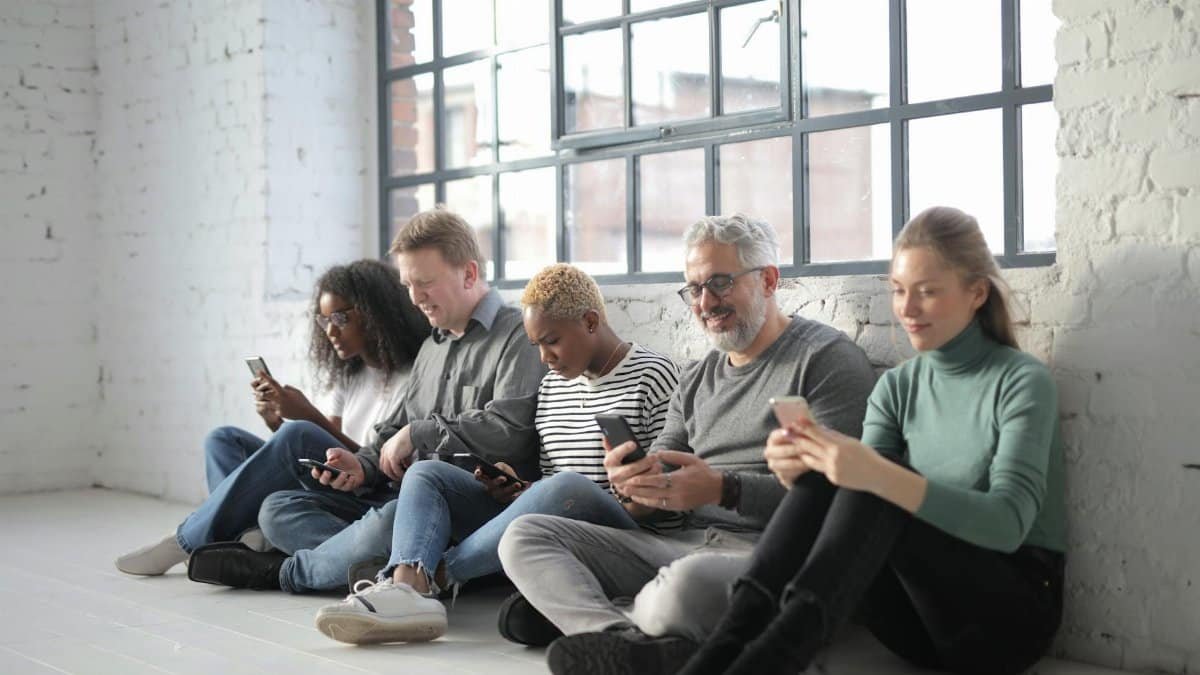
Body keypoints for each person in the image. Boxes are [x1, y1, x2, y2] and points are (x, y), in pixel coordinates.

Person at [675, 206, 1066, 675]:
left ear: (976, 292)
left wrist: (875, 472)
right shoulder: (896, 387)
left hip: (1006, 623)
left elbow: (1007, 525)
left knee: (875, 475)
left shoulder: (1021, 381)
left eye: (928, 292)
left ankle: (766, 659)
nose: (907, 309)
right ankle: (728, 647)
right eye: (899, 291)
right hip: (915, 624)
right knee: (834, 474)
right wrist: (800, 468)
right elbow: (857, 510)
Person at [495, 214, 877, 674]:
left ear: (769, 280)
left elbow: (840, 505)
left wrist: (723, 489)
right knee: (524, 535)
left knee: (683, 587)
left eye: (719, 283)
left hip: (765, 555)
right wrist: (635, 484)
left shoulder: (825, 360)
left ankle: (605, 620)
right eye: (693, 289)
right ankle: (622, 642)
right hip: (683, 544)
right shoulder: (697, 376)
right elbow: (661, 487)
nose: (705, 302)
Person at [304, 263, 682, 644]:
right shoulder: (553, 387)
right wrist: (520, 489)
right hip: (551, 525)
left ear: (589, 321)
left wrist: (632, 491)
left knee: (569, 486)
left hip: (627, 535)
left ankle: (434, 577)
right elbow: (550, 485)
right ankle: (407, 585)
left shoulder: (653, 375)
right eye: (536, 346)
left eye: (552, 341)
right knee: (427, 473)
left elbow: (675, 501)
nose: (545, 358)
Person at [184, 206, 546, 586]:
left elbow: (509, 430)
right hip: (400, 496)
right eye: (408, 284)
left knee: (392, 518)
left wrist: (418, 434)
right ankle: (396, 566)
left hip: (470, 501)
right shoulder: (432, 346)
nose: (415, 297)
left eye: (424, 282)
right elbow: (394, 429)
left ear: (469, 273)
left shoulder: (517, 336)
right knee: (279, 509)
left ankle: (287, 572)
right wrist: (363, 465)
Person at [114, 259, 429, 576]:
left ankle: (187, 541)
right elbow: (330, 449)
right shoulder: (352, 374)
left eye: (340, 317)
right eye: (323, 321)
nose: (331, 331)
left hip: (371, 490)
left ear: (375, 314)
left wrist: (305, 416)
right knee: (223, 440)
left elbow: (369, 462)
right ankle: (244, 539)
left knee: (299, 435)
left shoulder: (413, 377)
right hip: (332, 479)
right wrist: (276, 423)